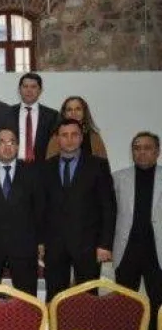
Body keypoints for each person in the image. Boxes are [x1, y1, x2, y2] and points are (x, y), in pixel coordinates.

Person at [41, 119, 115, 301]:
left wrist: (105, 244)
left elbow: (108, 206)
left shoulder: (98, 165)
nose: (69, 139)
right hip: (55, 245)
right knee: (55, 298)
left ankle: (86, 323)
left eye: (74, 135)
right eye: (64, 135)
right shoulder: (46, 167)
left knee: (88, 300)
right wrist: (40, 241)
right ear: (58, 139)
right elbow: (41, 208)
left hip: (88, 245)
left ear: (82, 137)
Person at [113, 132, 162, 330]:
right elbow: (109, 214)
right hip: (127, 252)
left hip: (157, 254)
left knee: (158, 307)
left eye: (147, 148)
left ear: (157, 152)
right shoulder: (118, 178)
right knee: (125, 308)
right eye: (137, 148)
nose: (141, 152)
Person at [0, 129, 43, 296]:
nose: (7, 146)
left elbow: (40, 209)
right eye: (1, 142)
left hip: (24, 246)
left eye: (12, 142)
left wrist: (41, 241)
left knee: (27, 300)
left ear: (17, 146)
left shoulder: (33, 172)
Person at [0, 72, 59, 163]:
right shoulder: (7, 113)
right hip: (14, 165)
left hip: (42, 166)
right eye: (25, 86)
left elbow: (54, 146)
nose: (29, 90)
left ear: (40, 90)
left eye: (33, 87)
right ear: (19, 90)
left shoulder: (52, 116)